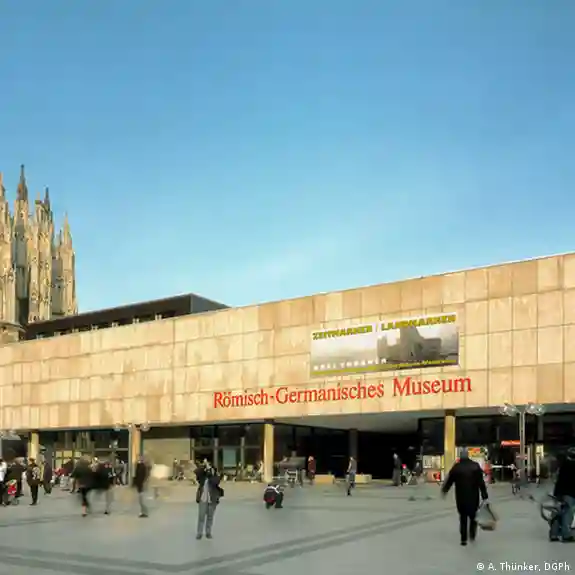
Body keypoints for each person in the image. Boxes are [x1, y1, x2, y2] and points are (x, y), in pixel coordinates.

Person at [442, 448, 489, 546]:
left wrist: (445, 490)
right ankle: (472, 535)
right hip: (473, 496)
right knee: (473, 516)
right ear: (468, 455)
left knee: (463, 517)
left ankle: (463, 538)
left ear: (460, 456)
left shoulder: (456, 467)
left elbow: (449, 481)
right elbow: (481, 482)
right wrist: (484, 494)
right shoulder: (475, 466)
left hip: (461, 497)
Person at [550, 447, 575, 542]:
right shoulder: (572, 465)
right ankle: (566, 535)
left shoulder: (564, 465)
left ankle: (554, 534)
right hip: (570, 493)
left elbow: (559, 480)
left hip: (560, 493)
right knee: (567, 514)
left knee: (558, 513)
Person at [195, 460, 222, 540]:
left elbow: (215, 482)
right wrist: (203, 466)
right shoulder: (203, 476)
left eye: (210, 467)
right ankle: (199, 533)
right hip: (203, 499)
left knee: (210, 517)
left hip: (212, 500)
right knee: (201, 517)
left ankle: (208, 532)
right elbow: (197, 472)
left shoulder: (216, 476)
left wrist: (211, 472)